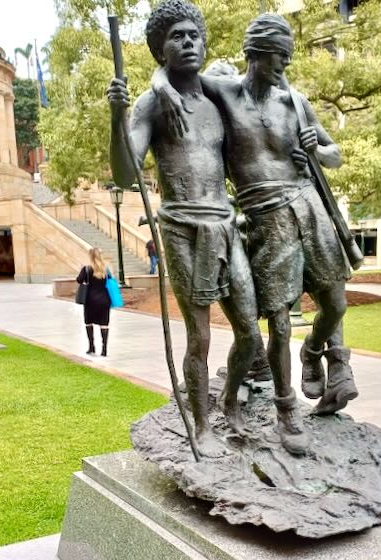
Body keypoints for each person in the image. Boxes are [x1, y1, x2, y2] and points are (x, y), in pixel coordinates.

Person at [152, 12, 358, 423]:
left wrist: (318, 149)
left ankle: (315, 349)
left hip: (307, 206)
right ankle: (286, 411)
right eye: (278, 55)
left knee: (335, 304)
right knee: (278, 322)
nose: (285, 64)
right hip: (263, 215)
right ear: (254, 54)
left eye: (287, 55)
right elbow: (176, 69)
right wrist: (162, 90)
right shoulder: (225, 94)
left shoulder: (295, 103)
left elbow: (335, 156)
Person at [108, 0, 266, 457]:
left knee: (249, 333)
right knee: (199, 337)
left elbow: (258, 101)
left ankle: (230, 403)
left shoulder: (218, 95)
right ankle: (201, 425)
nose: (188, 42)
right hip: (182, 227)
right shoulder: (149, 105)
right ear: (161, 48)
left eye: (194, 34)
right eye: (176, 36)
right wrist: (115, 119)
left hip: (224, 222)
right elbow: (124, 175)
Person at [76, 248, 113, 357]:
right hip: (104, 300)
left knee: (89, 322)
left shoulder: (87, 269)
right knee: (104, 324)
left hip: (90, 300)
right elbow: (111, 281)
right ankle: (104, 349)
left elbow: (79, 280)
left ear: (90, 256)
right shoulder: (106, 269)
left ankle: (91, 346)